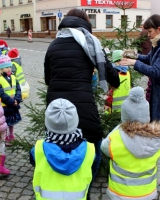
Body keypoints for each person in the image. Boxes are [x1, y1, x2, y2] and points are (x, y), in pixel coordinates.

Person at [43, 8, 120, 188]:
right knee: (93, 141)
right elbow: (111, 74)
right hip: (83, 102)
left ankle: (62, 182)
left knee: (57, 140)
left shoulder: (53, 45)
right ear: (86, 23)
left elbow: (48, 79)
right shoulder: (91, 43)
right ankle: (85, 183)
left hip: (56, 103)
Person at [118, 14, 160, 173]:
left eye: (149, 31)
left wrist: (134, 63)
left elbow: (155, 71)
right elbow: (149, 59)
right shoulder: (159, 42)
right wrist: (135, 56)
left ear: (159, 29)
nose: (148, 35)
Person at [101, 87, 160, 200]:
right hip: (146, 193)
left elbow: (104, 148)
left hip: (119, 193)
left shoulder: (115, 138)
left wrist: (118, 128)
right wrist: (154, 185)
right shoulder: (159, 142)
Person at [30, 98, 95, 200]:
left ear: (48, 122)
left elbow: (35, 163)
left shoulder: (38, 149)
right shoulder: (90, 149)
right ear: (75, 120)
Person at [0, 55, 22, 146]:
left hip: (14, 104)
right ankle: (6, 136)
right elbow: (1, 94)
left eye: (10, 67)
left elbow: (18, 89)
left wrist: (17, 99)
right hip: (5, 106)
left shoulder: (14, 78)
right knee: (5, 122)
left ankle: (11, 135)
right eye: (6, 67)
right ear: (1, 69)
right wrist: (11, 101)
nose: (9, 69)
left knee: (12, 121)